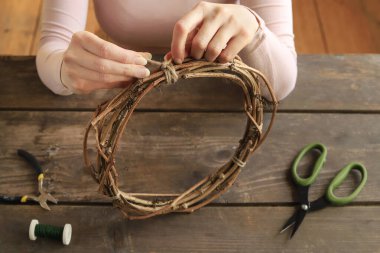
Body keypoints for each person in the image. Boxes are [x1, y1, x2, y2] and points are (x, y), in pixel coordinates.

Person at [36, 0, 297, 101]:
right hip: (119, 93)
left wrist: (252, 27)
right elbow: (54, 47)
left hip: (221, 93)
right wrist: (64, 69)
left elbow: (280, 84)